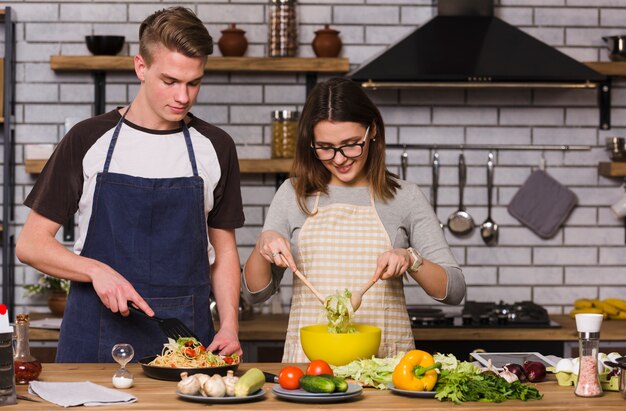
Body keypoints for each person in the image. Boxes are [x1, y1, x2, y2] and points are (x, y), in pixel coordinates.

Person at [16, 7, 244, 362]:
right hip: (94, 333)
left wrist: (230, 324)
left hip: (185, 338)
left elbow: (225, 250)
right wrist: (96, 270)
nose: (183, 97)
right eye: (169, 81)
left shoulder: (215, 146)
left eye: (194, 82)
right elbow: (31, 244)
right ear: (141, 66)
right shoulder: (89, 138)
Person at [242, 77, 466, 362]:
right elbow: (254, 294)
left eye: (350, 144)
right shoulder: (292, 194)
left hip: (386, 368)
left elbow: (454, 291)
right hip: (311, 368)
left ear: (371, 131)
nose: (339, 159)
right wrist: (263, 245)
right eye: (324, 147)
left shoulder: (405, 197)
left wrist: (412, 260)